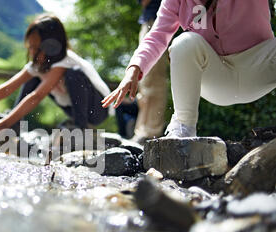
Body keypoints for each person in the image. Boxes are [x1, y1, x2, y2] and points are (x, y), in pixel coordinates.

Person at [102, 0, 276, 138]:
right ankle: (183, 129)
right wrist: (133, 69)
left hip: (259, 67)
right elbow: (156, 36)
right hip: (215, 77)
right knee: (184, 42)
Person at [0, 14, 111, 139]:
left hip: (97, 110)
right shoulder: (38, 65)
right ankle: (15, 124)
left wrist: (3, 123)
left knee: (74, 74)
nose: (32, 53)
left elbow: (37, 96)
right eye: (30, 48)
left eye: (37, 48)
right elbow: (8, 87)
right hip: (71, 108)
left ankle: (81, 128)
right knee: (34, 77)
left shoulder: (66, 61)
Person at [131, 0, 168, 144]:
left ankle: (152, 130)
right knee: (145, 79)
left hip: (158, 20)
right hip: (149, 19)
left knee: (153, 77)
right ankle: (143, 129)